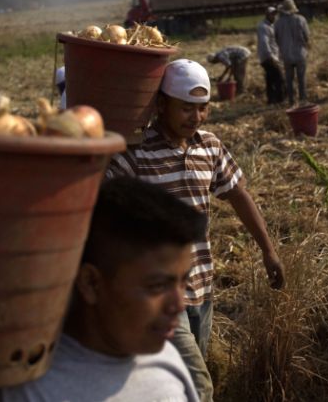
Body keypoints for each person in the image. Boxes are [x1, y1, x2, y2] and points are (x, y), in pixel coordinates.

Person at [0, 177, 206, 402]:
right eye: (157, 286)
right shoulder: (20, 388)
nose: (178, 304)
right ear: (91, 283)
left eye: (182, 280)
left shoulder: (166, 362)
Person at [106, 59, 286, 402]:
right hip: (158, 295)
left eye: (203, 109)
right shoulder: (138, 153)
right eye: (187, 108)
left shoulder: (210, 146)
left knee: (185, 376)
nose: (196, 117)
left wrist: (269, 251)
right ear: (161, 105)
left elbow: (237, 194)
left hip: (203, 283)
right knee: (198, 386)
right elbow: (100, 193)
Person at [274, 0, 310, 107]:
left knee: (289, 80)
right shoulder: (301, 20)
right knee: (301, 78)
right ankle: (303, 100)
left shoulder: (278, 23)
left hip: (286, 55)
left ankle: (291, 101)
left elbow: (276, 39)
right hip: (300, 54)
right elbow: (307, 36)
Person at [257, 6, 285, 104]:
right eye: (272, 14)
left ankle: (271, 100)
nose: (274, 16)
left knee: (270, 79)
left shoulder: (271, 25)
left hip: (272, 56)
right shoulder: (263, 27)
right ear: (267, 15)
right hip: (268, 57)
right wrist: (271, 57)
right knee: (279, 78)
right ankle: (279, 100)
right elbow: (265, 43)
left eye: (275, 14)